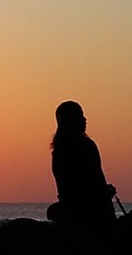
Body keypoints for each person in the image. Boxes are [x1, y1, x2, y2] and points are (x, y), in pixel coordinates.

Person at [47, 100, 117, 233]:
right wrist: (106, 192)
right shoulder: (86, 145)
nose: (85, 119)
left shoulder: (58, 149)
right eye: (80, 115)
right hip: (88, 210)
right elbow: (95, 179)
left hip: (69, 209)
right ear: (72, 120)